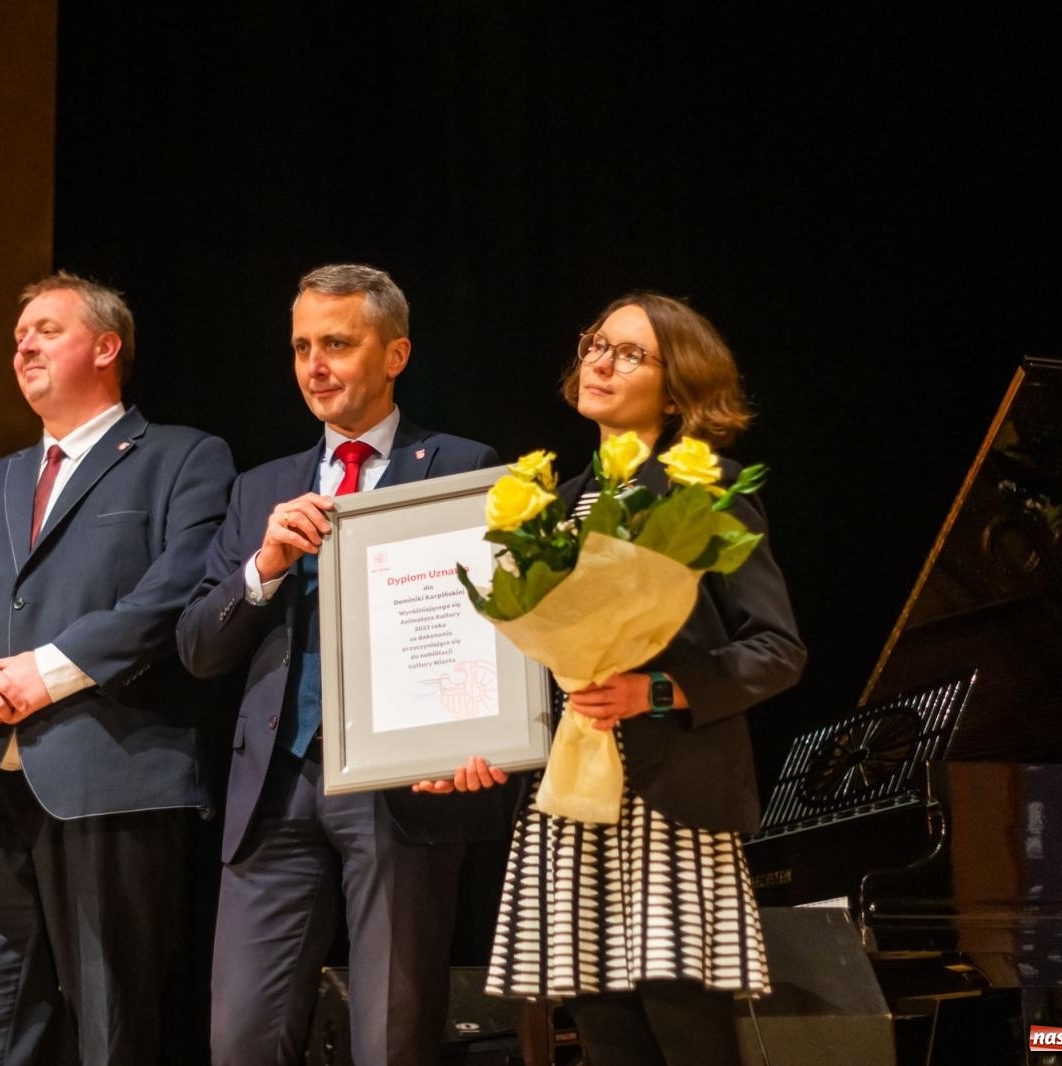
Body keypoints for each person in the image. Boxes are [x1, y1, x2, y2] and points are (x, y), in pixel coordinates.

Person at [0, 271, 235, 1065]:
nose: (25, 346)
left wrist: (50, 670)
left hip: (108, 776)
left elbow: (175, 587)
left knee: (113, 1025)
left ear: (107, 347)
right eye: (18, 338)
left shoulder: (182, 458)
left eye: (46, 329)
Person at [176, 263, 509, 1066]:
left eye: (337, 343)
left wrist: (479, 740)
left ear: (395, 355)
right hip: (276, 791)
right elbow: (197, 646)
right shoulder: (263, 486)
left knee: (392, 1040)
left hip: (401, 792)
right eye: (300, 347)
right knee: (241, 1042)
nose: (314, 366)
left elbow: (501, 630)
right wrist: (263, 567)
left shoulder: (463, 467)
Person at [464, 293, 806, 1065]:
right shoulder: (554, 503)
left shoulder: (704, 491)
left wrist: (655, 691)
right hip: (574, 802)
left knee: (685, 1032)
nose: (599, 361)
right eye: (595, 343)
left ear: (678, 387)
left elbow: (778, 649)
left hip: (669, 805)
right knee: (606, 1036)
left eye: (629, 353)